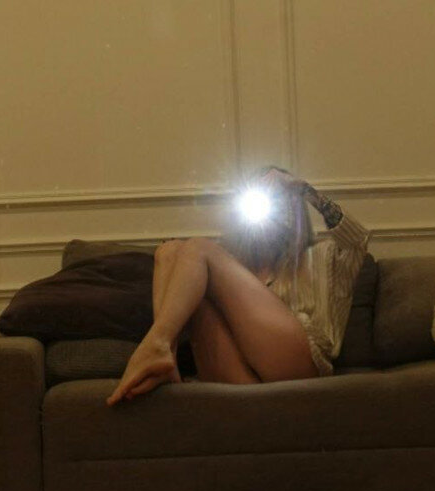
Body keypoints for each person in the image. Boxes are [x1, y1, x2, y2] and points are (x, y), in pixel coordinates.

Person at [106, 166, 371, 406]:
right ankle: (167, 363)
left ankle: (156, 345)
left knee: (198, 248)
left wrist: (304, 190)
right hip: (243, 376)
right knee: (169, 251)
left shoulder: (323, 255)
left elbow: (358, 240)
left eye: (278, 201)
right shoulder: (233, 267)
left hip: (299, 364)